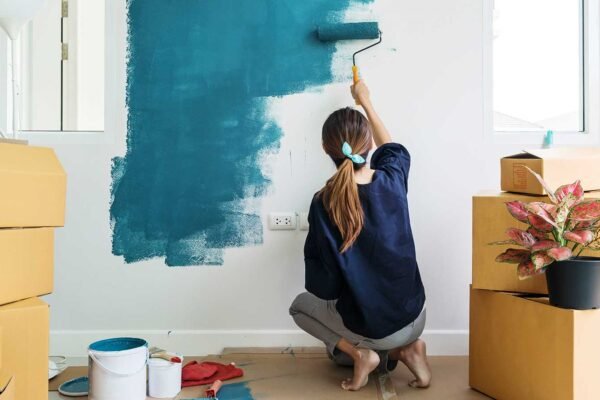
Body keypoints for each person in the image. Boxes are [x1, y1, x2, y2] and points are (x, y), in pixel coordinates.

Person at [289, 80, 430, 391]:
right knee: (355, 334)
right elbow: (392, 148)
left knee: (301, 308)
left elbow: (323, 287)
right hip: (417, 315)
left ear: (327, 150)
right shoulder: (392, 180)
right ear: (368, 146)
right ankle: (407, 348)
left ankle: (362, 354)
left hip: (378, 328)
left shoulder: (322, 202)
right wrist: (365, 100)